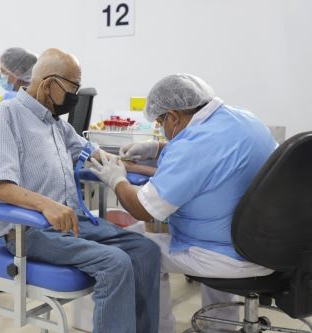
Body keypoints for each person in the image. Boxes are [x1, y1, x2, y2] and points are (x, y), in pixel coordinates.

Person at [0, 48, 161, 333]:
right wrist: (46, 205)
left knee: (146, 251)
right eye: (72, 88)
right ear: (47, 84)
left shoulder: (55, 124)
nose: (74, 97)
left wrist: (140, 166)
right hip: (30, 232)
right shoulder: (7, 114)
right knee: (114, 264)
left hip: (70, 223)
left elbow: (95, 154)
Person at [89, 73, 276, 332]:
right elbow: (213, 164)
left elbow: (142, 209)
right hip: (268, 246)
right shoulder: (242, 119)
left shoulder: (195, 145)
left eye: (160, 123)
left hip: (226, 255)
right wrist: (160, 149)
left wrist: (117, 179)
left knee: (138, 248)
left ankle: (160, 329)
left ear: (173, 116)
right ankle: (221, 327)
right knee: (210, 229)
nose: (160, 128)